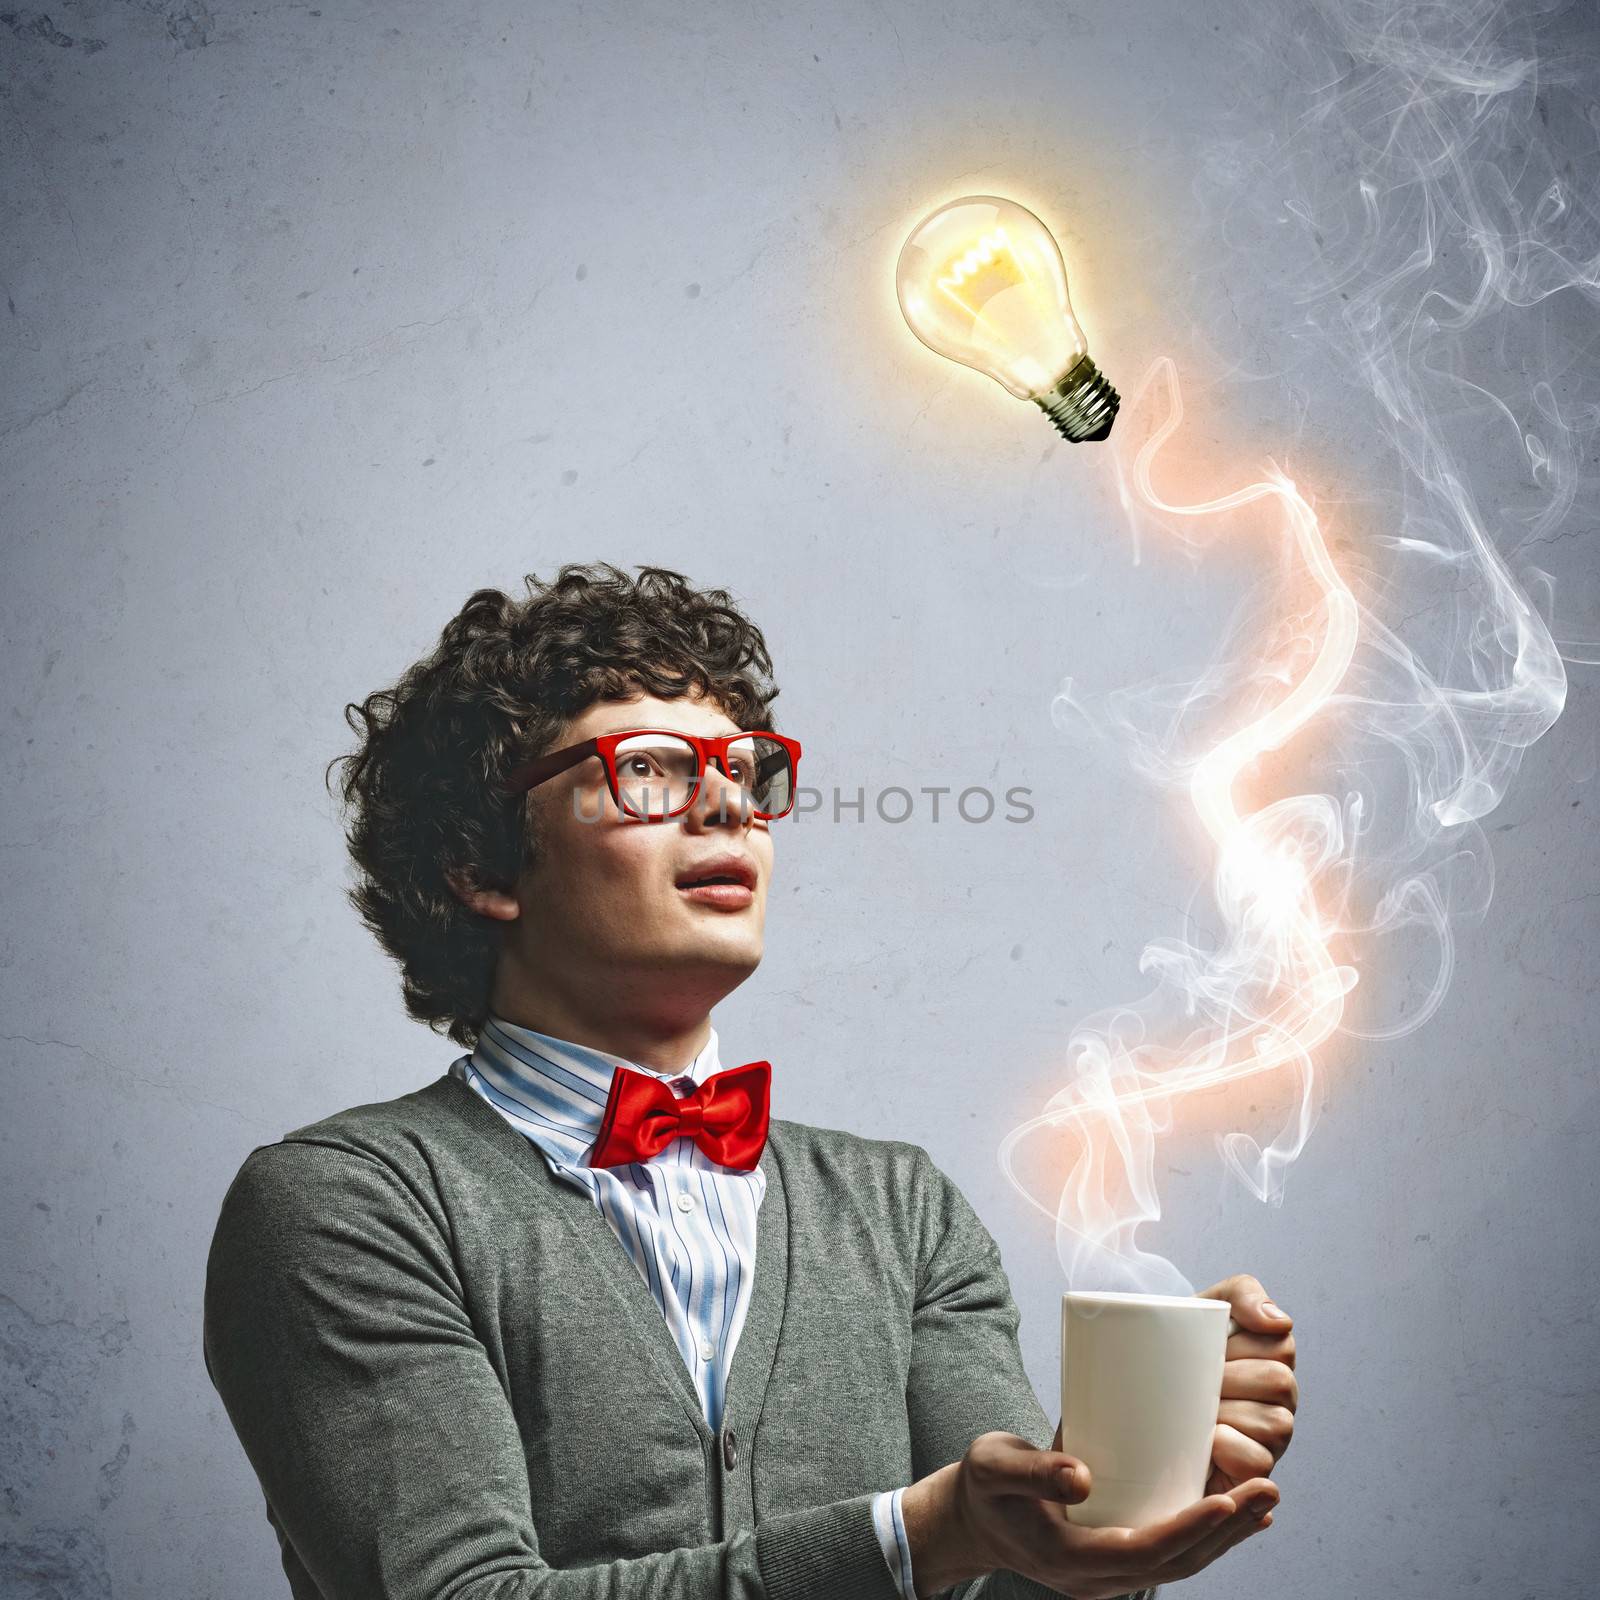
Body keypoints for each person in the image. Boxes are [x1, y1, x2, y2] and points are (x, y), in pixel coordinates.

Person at [203, 562, 1297, 1600]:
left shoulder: (900, 1208)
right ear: (481, 865)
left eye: (742, 771)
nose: (726, 807)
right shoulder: (344, 1207)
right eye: (645, 771)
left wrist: (1133, 1475)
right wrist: (918, 1533)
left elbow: (1011, 1574)